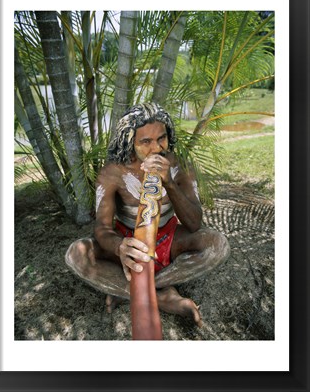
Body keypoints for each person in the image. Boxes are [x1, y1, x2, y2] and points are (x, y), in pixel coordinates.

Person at [66, 102, 230, 328]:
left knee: (216, 244)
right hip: (130, 242)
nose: (156, 148)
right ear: (129, 141)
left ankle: (130, 289)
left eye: (161, 138)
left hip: (169, 240)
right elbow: (102, 227)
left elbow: (194, 223)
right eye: (145, 142)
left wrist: (169, 183)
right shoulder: (113, 172)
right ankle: (162, 296)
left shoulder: (178, 165)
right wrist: (120, 247)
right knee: (77, 254)